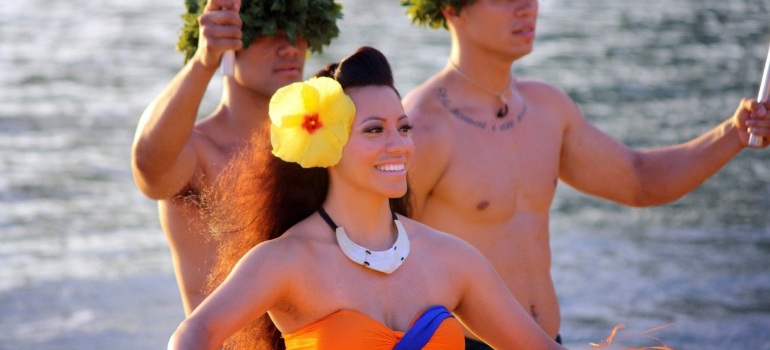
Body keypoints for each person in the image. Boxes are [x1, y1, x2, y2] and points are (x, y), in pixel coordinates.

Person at [399, 0, 770, 348]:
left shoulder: (547, 108)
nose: (527, 6)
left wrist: (735, 134)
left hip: (551, 340)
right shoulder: (421, 129)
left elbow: (640, 181)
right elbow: (376, 256)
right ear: (451, 9)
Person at [167, 46, 567, 350]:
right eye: (375, 131)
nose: (400, 146)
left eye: (404, 128)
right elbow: (196, 331)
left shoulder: (452, 260)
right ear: (329, 146)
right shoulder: (287, 261)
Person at [130, 0, 343, 315]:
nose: (289, 47)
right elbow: (148, 169)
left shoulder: (320, 145)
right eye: (266, 32)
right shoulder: (198, 153)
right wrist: (204, 61)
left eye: (298, 30)